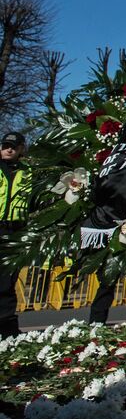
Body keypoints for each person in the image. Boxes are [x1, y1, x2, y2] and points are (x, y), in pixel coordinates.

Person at [0, 132, 33, 337]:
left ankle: (8, 328)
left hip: (14, 230)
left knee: (7, 280)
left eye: (13, 146)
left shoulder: (29, 172)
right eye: (5, 146)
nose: (9, 149)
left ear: (21, 149)